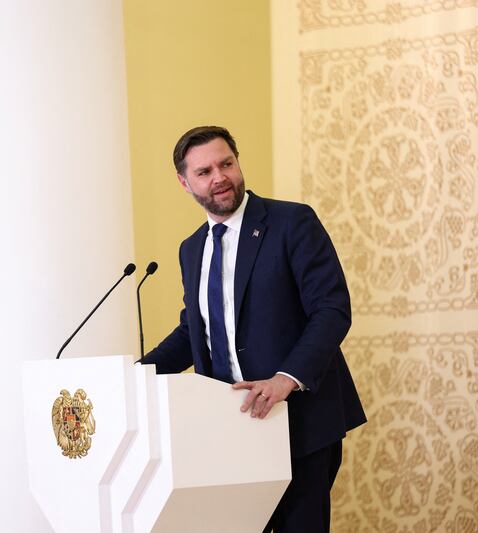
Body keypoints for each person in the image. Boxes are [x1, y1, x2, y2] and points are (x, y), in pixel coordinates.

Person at [141, 126, 366, 532]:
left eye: (226, 163)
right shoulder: (192, 249)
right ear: (184, 182)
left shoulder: (292, 222)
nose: (220, 177)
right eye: (205, 171)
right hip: (229, 430)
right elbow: (195, 330)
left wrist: (285, 379)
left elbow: (331, 309)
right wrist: (130, 379)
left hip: (299, 421)